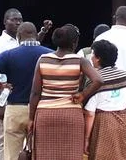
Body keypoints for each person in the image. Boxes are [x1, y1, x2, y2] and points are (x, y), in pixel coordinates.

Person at [29, 24, 103, 160]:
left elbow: (35, 93)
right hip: (71, 115)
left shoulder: (43, 59)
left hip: (45, 115)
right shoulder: (80, 61)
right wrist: (83, 95)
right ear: (74, 43)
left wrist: (31, 119)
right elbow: (98, 80)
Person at [0, 22, 52, 160]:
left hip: (15, 110)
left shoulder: (9, 55)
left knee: (11, 155)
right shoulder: (49, 55)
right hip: (40, 110)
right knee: (40, 154)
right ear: (36, 35)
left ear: (18, 36)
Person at [84, 40, 126, 160]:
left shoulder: (95, 81)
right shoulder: (125, 76)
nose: (91, 57)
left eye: (93, 54)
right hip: (124, 121)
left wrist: (86, 138)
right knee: (121, 155)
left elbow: (90, 113)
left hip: (103, 123)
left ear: (98, 58)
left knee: (101, 155)